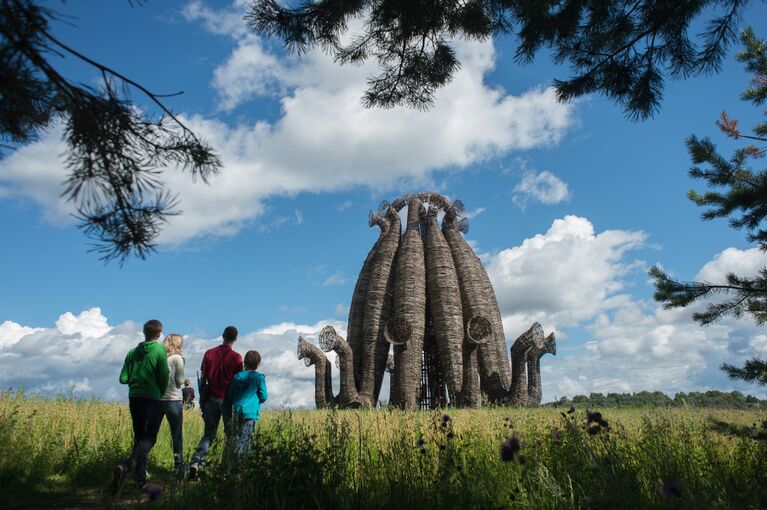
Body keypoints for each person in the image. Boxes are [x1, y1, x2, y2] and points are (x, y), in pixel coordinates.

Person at [112, 320, 169, 495]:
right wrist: (160, 390)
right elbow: (164, 375)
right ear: (159, 334)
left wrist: (135, 380)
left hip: (134, 396)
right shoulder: (160, 350)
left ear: (144, 332)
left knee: (140, 438)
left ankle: (141, 481)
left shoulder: (132, 352)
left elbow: (123, 378)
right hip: (151, 396)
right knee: (150, 437)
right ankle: (127, 465)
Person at [188, 326, 243, 478]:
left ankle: (196, 462)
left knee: (208, 434)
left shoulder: (209, 353)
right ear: (235, 338)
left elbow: (203, 378)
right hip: (228, 400)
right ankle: (224, 468)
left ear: (223, 336)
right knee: (230, 435)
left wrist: (202, 399)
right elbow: (238, 381)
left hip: (211, 398)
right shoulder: (237, 358)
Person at [225, 350, 268, 460]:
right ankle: (241, 464)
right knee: (246, 440)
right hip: (250, 413)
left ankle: (231, 462)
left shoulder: (236, 377)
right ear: (258, 363)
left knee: (235, 438)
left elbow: (231, 394)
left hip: (237, 410)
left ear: (245, 362)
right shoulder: (259, 378)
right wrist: (257, 400)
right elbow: (264, 396)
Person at [160, 333, 186, 473]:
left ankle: (142, 465)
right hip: (174, 400)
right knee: (176, 435)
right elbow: (180, 381)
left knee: (151, 434)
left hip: (158, 399)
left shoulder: (161, 358)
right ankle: (178, 465)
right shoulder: (178, 359)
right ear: (178, 344)